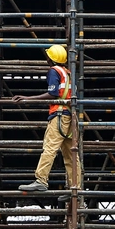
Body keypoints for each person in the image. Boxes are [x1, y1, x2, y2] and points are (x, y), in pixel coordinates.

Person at [13, 44, 81, 199]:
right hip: (70, 117)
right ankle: (75, 188)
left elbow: (53, 94)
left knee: (49, 148)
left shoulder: (54, 71)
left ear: (50, 58)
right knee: (71, 155)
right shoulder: (68, 73)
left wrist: (27, 98)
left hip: (59, 116)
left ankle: (41, 180)